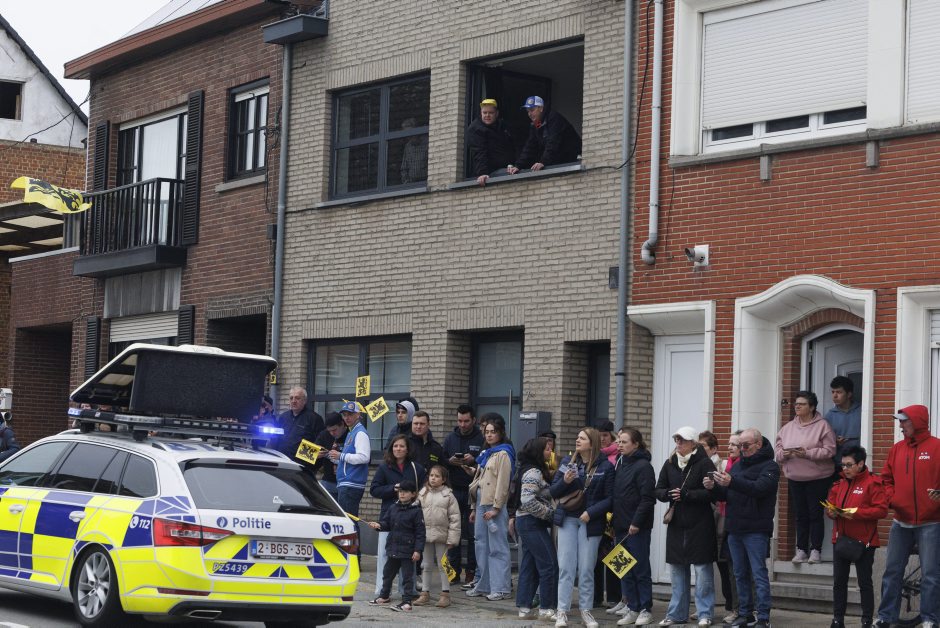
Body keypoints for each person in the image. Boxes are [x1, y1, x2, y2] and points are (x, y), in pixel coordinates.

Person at [704, 428, 779, 628]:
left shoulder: (770, 466)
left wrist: (732, 482)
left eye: (745, 445)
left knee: (758, 574)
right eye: (740, 445)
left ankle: (763, 617)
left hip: (756, 529)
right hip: (735, 528)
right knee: (739, 574)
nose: (742, 449)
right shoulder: (737, 466)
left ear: (758, 444)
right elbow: (726, 495)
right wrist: (713, 488)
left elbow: (759, 489)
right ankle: (745, 614)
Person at [873, 404, 940, 628]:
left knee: (931, 574)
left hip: (931, 522)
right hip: (900, 521)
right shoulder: (897, 449)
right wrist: (892, 499)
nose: (900, 425)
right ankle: (886, 617)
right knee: (892, 572)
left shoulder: (937, 448)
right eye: (899, 421)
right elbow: (885, 479)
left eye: (904, 420)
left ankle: (930, 619)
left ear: (917, 422)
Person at [550, 427, 614, 628]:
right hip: (568, 518)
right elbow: (553, 491)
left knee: (586, 568)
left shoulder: (605, 466)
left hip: (590, 522)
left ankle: (586, 610)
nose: (577, 440)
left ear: (592, 443)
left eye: (582, 438)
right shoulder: (567, 462)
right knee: (566, 567)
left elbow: (610, 498)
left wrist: (591, 512)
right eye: (577, 437)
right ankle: (562, 611)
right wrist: (565, 481)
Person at [655, 425, 716, 627]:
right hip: (677, 525)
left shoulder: (705, 463)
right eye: (676, 439)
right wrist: (668, 494)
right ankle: (676, 614)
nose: (678, 443)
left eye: (682, 440)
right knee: (677, 571)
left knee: (702, 571)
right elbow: (658, 489)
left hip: (700, 524)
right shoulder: (670, 462)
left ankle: (705, 613)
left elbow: (713, 493)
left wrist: (687, 495)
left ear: (693, 443)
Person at [825, 446, 887, 628]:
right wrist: (831, 512)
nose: (845, 469)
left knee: (864, 583)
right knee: (839, 582)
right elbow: (830, 505)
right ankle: (838, 619)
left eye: (849, 465)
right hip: (841, 540)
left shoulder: (873, 483)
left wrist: (855, 513)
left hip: (864, 541)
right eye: (843, 465)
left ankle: (866, 620)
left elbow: (881, 510)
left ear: (860, 464)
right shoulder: (839, 484)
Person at [775, 391, 837, 564]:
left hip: (818, 477)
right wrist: (785, 454)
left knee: (815, 514)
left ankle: (816, 550)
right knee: (800, 514)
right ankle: (801, 549)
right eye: (796, 404)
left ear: (812, 407)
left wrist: (807, 453)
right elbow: (777, 451)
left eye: (802, 404)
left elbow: (830, 450)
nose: (797, 406)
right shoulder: (788, 428)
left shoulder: (823, 426)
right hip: (795, 477)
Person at [370, 434, 426, 598]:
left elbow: (424, 488)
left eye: (402, 446)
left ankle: (407, 590)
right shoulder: (384, 468)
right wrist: (392, 489)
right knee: (384, 554)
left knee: (407, 556)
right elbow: (374, 490)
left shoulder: (416, 468)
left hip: (410, 518)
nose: (398, 449)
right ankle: (382, 591)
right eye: (395, 446)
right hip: (389, 517)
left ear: (407, 449)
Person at [466, 413, 515, 601]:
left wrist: (496, 508)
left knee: (497, 546)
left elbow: (503, 483)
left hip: (494, 505)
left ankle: (501, 588)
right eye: (487, 432)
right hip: (480, 502)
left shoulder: (504, 454)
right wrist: (473, 507)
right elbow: (479, 481)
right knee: (481, 544)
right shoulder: (487, 453)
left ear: (500, 433)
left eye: (493, 432)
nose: (489, 435)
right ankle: (485, 584)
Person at [611, 427, 656, 627]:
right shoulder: (620, 463)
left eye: (624, 442)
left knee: (640, 569)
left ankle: (645, 609)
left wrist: (636, 523)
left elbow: (647, 499)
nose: (620, 445)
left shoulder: (644, 466)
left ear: (636, 444)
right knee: (623, 569)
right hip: (620, 525)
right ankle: (632, 607)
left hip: (637, 528)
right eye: (619, 441)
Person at [515, 437, 559, 622]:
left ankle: (524, 607)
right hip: (531, 522)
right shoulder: (534, 471)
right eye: (547, 449)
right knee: (549, 564)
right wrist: (549, 514)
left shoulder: (529, 469)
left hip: (527, 522)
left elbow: (538, 494)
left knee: (530, 565)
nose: (550, 452)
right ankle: (547, 608)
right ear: (538, 451)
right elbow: (527, 500)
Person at [368, 480, 426, 613]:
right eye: (400, 491)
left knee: (407, 577)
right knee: (387, 573)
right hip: (393, 548)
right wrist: (379, 525)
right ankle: (384, 596)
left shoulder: (416, 511)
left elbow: (420, 533)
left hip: (408, 550)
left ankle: (407, 602)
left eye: (405, 492)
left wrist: (418, 550)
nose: (402, 494)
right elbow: (386, 523)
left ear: (413, 494)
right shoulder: (393, 507)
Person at [443, 403, 484, 585]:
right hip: (454, 490)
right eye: (460, 421)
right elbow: (442, 460)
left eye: (466, 421)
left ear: (474, 420)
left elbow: (486, 461)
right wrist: (450, 461)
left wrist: (474, 459)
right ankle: (453, 571)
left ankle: (471, 571)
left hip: (474, 491)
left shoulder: (481, 438)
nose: (463, 424)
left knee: (473, 533)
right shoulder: (450, 438)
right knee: (454, 532)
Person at [415, 464, 460, 608]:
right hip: (425, 535)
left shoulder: (448, 496)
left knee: (443, 564)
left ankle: (445, 594)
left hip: (442, 536)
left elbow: (455, 519)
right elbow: (415, 513)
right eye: (431, 475)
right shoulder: (422, 493)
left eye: (437, 476)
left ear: (444, 479)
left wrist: (452, 539)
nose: (433, 478)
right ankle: (425, 593)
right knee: (426, 564)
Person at [511, 96, 581, 173]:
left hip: (574, 160)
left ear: (541, 108)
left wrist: (543, 162)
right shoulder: (537, 124)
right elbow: (530, 147)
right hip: (561, 161)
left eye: (532, 110)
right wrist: (518, 166)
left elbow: (553, 142)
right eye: (528, 111)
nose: (529, 114)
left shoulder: (553, 118)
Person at [330, 401, 371, 523]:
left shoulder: (360, 433)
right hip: (347, 484)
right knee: (348, 522)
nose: (346, 418)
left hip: (351, 484)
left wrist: (341, 456)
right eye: (344, 415)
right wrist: (331, 456)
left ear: (358, 414)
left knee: (349, 523)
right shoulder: (352, 432)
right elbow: (347, 460)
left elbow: (364, 457)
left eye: (350, 414)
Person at [466, 98, 517, 186]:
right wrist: (482, 173)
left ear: (497, 113)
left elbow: (514, 146)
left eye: (491, 113)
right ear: (481, 113)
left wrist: (516, 165)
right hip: (491, 172)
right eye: (484, 113)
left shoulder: (503, 126)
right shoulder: (476, 129)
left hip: (507, 167)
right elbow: (479, 152)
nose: (487, 115)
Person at [275, 386, 324, 462]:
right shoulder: (283, 417)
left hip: (301, 466)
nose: (293, 401)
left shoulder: (314, 418)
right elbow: (276, 440)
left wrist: (299, 454)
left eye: (297, 398)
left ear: (304, 401)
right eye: (291, 398)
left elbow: (320, 448)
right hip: (282, 462)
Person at [825, 376, 861, 462]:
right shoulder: (829, 416)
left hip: (859, 462)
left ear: (849, 394)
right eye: (833, 392)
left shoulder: (862, 412)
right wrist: (835, 442)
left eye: (839, 392)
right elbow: (825, 443)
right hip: (838, 463)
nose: (834, 396)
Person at [312, 411, 347, 498]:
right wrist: (316, 454)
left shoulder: (351, 434)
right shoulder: (324, 434)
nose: (332, 433)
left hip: (346, 482)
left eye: (334, 430)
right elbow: (308, 452)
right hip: (328, 481)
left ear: (342, 424)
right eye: (329, 431)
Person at [399, 118, 428, 184]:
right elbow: (404, 168)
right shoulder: (408, 147)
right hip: (412, 183)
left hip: (425, 182)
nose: (409, 136)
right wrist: (406, 181)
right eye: (406, 134)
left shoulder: (427, 143)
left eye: (410, 133)